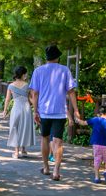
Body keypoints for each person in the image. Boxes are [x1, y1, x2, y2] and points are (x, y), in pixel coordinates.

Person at [29, 45, 78, 181]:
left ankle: (46, 168)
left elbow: (34, 93)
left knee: (44, 139)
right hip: (60, 112)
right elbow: (71, 91)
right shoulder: (65, 70)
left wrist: (35, 111)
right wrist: (76, 110)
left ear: (46, 57)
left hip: (44, 111)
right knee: (58, 142)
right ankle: (56, 171)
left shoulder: (38, 71)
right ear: (57, 57)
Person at [3, 65, 36, 158]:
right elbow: (31, 98)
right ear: (23, 74)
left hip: (16, 107)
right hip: (26, 107)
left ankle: (16, 151)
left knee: (14, 127)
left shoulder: (11, 86)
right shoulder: (28, 85)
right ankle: (23, 149)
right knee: (25, 127)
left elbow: (7, 100)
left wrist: (5, 110)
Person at [76, 106, 106, 183]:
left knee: (97, 160)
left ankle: (96, 177)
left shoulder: (94, 120)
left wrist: (77, 120)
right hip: (105, 144)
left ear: (98, 114)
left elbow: (83, 123)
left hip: (96, 144)